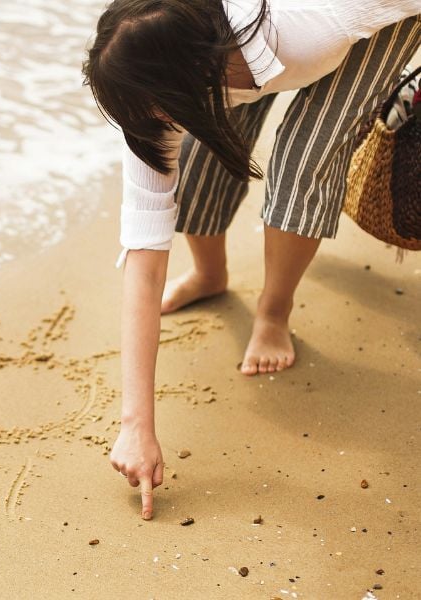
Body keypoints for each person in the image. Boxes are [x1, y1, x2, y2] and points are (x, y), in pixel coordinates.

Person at [82, 0, 421, 520]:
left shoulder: (317, 30)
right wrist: (136, 426)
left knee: (299, 164)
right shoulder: (150, 75)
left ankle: (274, 312)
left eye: (159, 111)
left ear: (200, 73)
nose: (149, 128)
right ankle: (210, 274)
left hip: (351, 20)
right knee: (191, 163)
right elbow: (145, 255)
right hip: (231, 51)